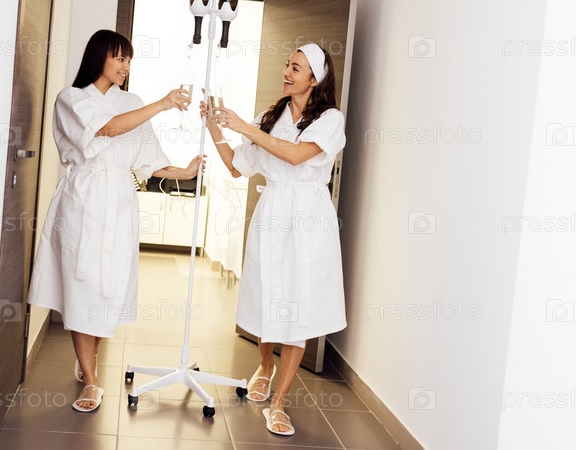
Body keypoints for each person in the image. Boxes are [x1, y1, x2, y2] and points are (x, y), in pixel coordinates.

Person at [28, 29, 204, 413]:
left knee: (107, 287)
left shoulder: (132, 102)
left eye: (129, 60)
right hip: (84, 200)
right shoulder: (71, 99)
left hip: (120, 204)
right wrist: (162, 104)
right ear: (99, 57)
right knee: (83, 284)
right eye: (119, 58)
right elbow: (107, 129)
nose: (125, 66)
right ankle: (92, 381)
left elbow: (149, 160)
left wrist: (185, 172)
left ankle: (87, 358)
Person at [200, 43, 346, 436]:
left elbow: (297, 156)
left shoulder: (330, 119)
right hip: (273, 213)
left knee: (299, 305)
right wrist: (215, 127)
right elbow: (236, 167)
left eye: (295, 67)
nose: (286, 72)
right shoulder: (269, 117)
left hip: (309, 218)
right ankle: (265, 365)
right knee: (268, 296)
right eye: (286, 65)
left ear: (314, 79)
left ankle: (278, 402)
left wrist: (243, 127)